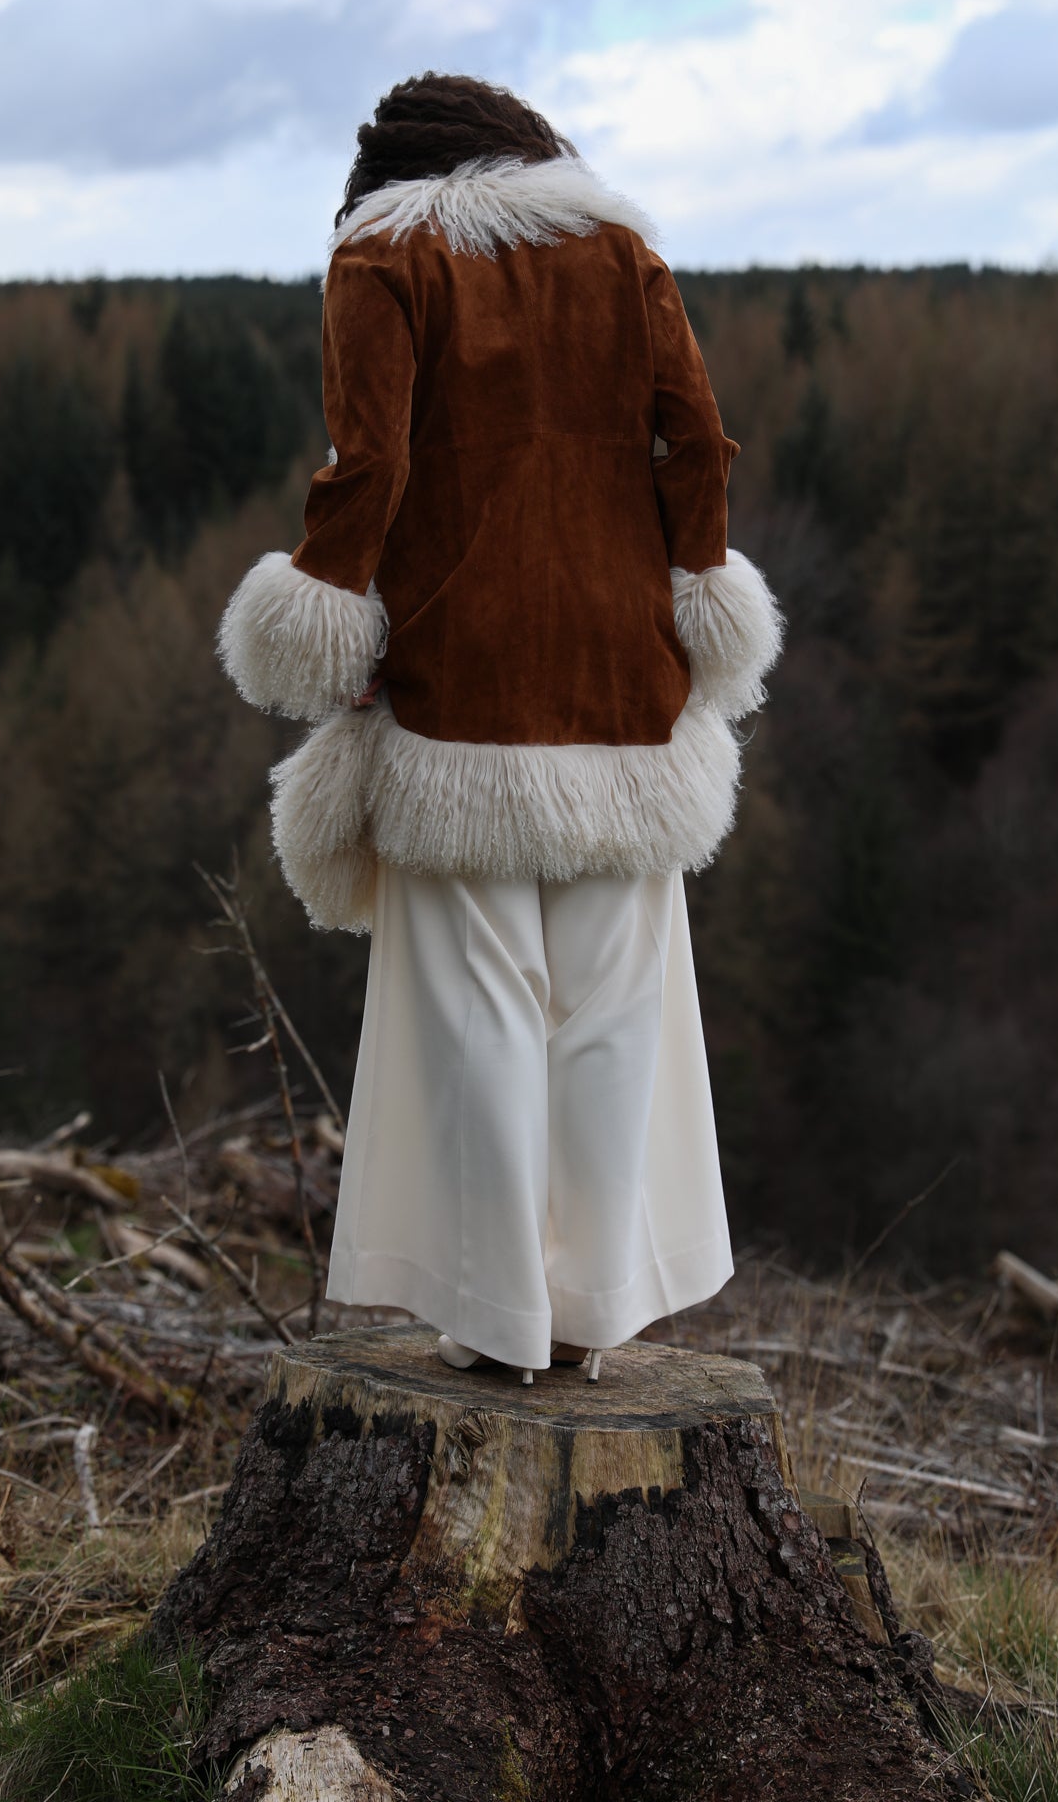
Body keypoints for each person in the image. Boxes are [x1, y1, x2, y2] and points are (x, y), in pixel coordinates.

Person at [218, 72, 783, 1385]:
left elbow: (371, 467)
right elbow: (695, 439)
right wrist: (690, 583)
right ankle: (594, 1306)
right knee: (610, 1010)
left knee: (481, 1006)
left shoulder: (383, 256)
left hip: (461, 684)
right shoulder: (619, 248)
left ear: (391, 170)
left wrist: (329, 607)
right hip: (623, 683)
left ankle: (497, 1317)